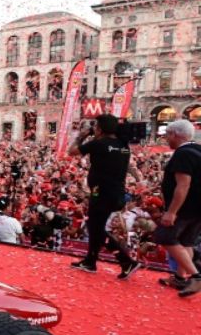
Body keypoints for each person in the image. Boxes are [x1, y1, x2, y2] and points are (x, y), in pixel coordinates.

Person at [68, 114, 140, 278]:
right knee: (95, 227)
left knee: (96, 229)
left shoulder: (98, 144)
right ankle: (90, 261)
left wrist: (81, 136)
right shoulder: (123, 145)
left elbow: (71, 152)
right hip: (116, 192)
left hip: (101, 192)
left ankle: (126, 261)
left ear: (99, 128)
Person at [150, 119, 201, 296]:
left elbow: (183, 185)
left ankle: (196, 276)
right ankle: (180, 278)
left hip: (186, 206)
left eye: (167, 135)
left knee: (165, 236)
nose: (166, 139)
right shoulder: (198, 150)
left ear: (175, 134)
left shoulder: (183, 154)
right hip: (198, 207)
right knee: (186, 241)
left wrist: (171, 211)